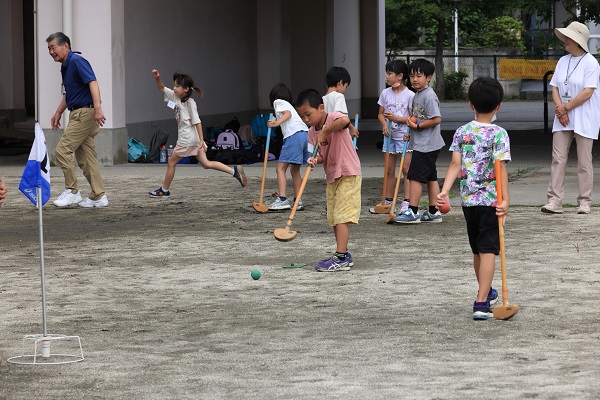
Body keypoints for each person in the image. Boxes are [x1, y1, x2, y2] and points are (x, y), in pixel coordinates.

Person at [437, 77, 510, 320]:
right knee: (488, 250)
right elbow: (500, 170)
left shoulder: (462, 132)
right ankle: (481, 302)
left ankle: (486, 292)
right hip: (490, 201)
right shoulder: (499, 134)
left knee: (478, 250)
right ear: (499, 105)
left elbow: (455, 164)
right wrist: (505, 200)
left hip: (468, 201)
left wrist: (445, 190)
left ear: (470, 104)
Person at [148, 69, 246, 197]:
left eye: (177, 86)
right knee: (206, 164)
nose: (174, 88)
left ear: (186, 89)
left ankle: (164, 190)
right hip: (193, 140)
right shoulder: (174, 97)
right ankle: (234, 171)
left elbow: (197, 122)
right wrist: (157, 77)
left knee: (171, 163)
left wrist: (201, 141)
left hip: (187, 140)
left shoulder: (190, 104)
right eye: (174, 85)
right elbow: (161, 88)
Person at [295, 89, 361, 272]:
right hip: (332, 175)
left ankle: (340, 258)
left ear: (321, 108)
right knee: (333, 217)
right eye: (302, 116)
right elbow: (321, 155)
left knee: (341, 216)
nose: (306, 120)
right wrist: (315, 159)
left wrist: (325, 132)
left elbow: (345, 121)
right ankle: (343, 254)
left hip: (348, 172)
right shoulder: (311, 133)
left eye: (308, 114)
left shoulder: (333, 117)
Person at [542, 21, 600, 215]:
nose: (565, 40)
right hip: (563, 116)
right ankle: (554, 201)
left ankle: (584, 202)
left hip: (583, 116)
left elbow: (587, 92)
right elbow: (555, 87)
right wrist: (560, 110)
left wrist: (565, 108)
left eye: (568, 37)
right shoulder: (563, 61)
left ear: (577, 40)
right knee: (558, 158)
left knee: (584, 161)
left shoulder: (591, 62)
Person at [47, 32, 108, 208]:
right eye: (49, 49)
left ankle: (72, 191)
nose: (51, 52)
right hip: (79, 112)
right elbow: (70, 93)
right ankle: (98, 196)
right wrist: (58, 112)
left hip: (84, 113)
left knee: (62, 150)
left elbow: (93, 82)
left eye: (53, 47)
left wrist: (97, 108)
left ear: (65, 45)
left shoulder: (76, 61)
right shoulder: (66, 66)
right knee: (86, 158)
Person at [395, 59, 445, 224]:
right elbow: (418, 117)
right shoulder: (417, 95)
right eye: (412, 76)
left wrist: (418, 127)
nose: (414, 79)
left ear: (428, 77)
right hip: (424, 143)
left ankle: (412, 211)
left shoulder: (429, 96)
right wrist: (411, 130)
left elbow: (436, 119)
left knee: (414, 177)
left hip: (426, 145)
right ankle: (433, 211)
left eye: (419, 76)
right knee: (431, 177)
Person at [370, 59, 414, 214]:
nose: (387, 77)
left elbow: (412, 118)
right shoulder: (385, 93)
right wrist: (384, 125)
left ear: (400, 76)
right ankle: (387, 200)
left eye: (389, 73)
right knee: (389, 169)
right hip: (389, 137)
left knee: (406, 170)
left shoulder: (410, 95)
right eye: (387, 73)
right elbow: (380, 114)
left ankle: (406, 201)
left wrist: (396, 118)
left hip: (404, 137)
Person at [266, 83, 309, 211]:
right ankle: (298, 200)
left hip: (293, 136)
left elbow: (287, 114)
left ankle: (283, 199)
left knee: (280, 168)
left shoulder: (278, 102)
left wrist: (276, 123)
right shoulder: (289, 104)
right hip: (305, 135)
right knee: (295, 170)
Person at [322, 66, 359, 139]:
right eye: (345, 86)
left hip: (327, 137)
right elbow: (341, 118)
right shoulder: (339, 96)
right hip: (339, 137)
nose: (345, 90)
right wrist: (351, 128)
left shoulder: (322, 99)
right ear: (341, 82)